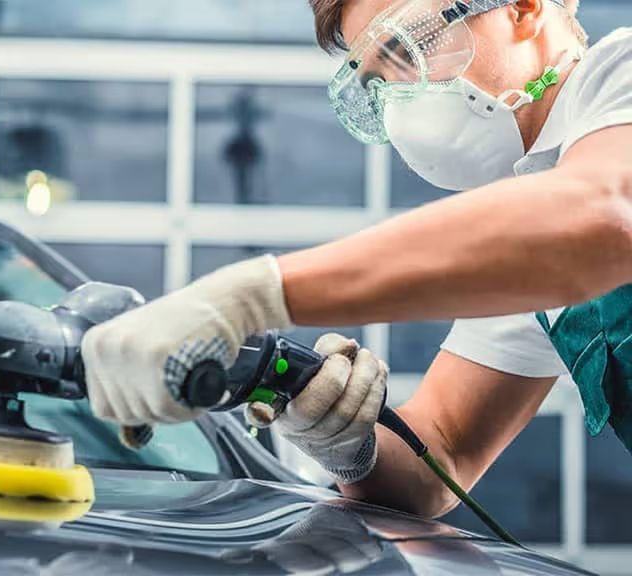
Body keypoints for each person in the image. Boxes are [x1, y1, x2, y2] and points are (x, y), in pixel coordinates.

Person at [82, 0, 632, 518]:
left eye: (411, 46)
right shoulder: (529, 232)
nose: (400, 99)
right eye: (377, 82)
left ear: (523, 8)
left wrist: (249, 296)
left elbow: (603, 215)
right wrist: (346, 444)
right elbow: (442, 458)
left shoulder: (620, 74)